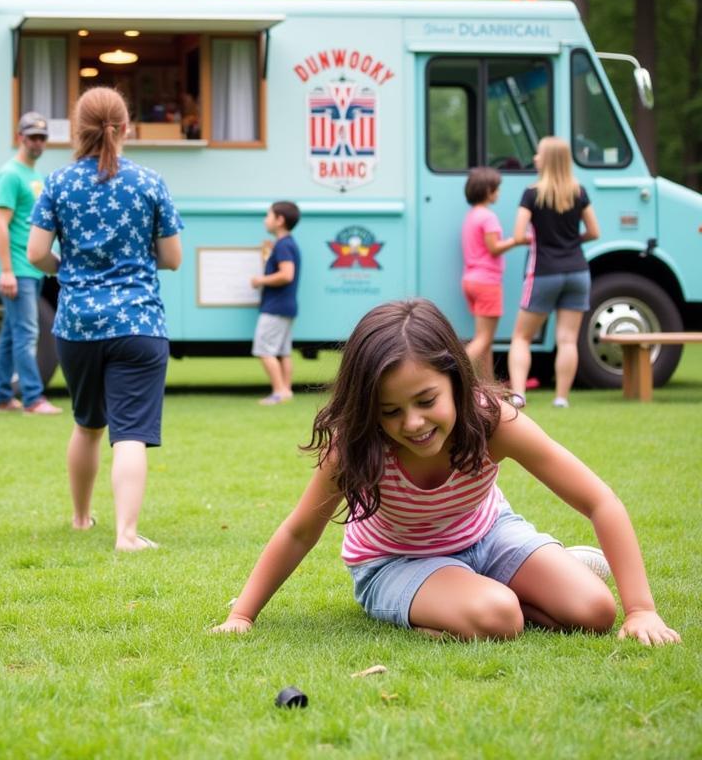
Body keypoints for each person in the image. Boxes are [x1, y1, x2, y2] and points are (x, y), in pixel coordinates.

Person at [213, 299, 680, 646]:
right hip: (398, 562)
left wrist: (640, 610)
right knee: (500, 617)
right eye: (390, 410)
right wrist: (244, 615)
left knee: (596, 611)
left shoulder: (493, 422)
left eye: (426, 401)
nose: (412, 423)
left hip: (490, 536)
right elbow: (299, 532)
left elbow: (598, 499)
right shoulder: (357, 445)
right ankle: (474, 598)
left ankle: (503, 585)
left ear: (456, 381)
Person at [27, 87, 183, 551]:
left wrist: (71, 270)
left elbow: (36, 253)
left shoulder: (58, 182)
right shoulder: (150, 182)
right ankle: (127, 535)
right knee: (130, 432)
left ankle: (80, 519)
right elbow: (172, 258)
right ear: (126, 127)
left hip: (77, 326)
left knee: (87, 423)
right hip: (139, 324)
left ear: (78, 130)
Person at [507, 136, 599, 407]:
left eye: (538, 154)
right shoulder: (579, 192)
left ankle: (519, 394)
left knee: (521, 337)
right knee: (567, 339)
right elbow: (594, 231)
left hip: (543, 272)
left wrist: (540, 241)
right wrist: (571, 242)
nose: (535, 158)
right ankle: (561, 398)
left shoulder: (531, 194)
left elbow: (517, 234)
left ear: (546, 159)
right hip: (577, 272)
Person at [0, 110, 62, 416]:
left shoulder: (35, 176)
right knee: (27, 333)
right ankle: (33, 399)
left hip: (32, 268)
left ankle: (1, 397)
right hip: (18, 269)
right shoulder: (10, 174)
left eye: (42, 137)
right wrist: (6, 270)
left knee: (11, 334)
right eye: (32, 136)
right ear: (20, 137)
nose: (37, 142)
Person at [460, 167, 515, 382]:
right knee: (483, 339)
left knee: (485, 340)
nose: (498, 193)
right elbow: (494, 248)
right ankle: (451, 371)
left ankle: (489, 385)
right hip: (487, 283)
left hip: (471, 281)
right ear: (488, 191)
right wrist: (517, 240)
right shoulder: (488, 217)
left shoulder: (471, 216)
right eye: (497, 188)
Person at [250, 201, 302, 406]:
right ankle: (286, 391)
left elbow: (287, 275)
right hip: (286, 306)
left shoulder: (283, 245)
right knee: (282, 351)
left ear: (280, 220)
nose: (265, 219)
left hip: (275, 307)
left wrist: (259, 280)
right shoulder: (287, 244)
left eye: (268, 215)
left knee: (264, 350)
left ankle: (279, 391)